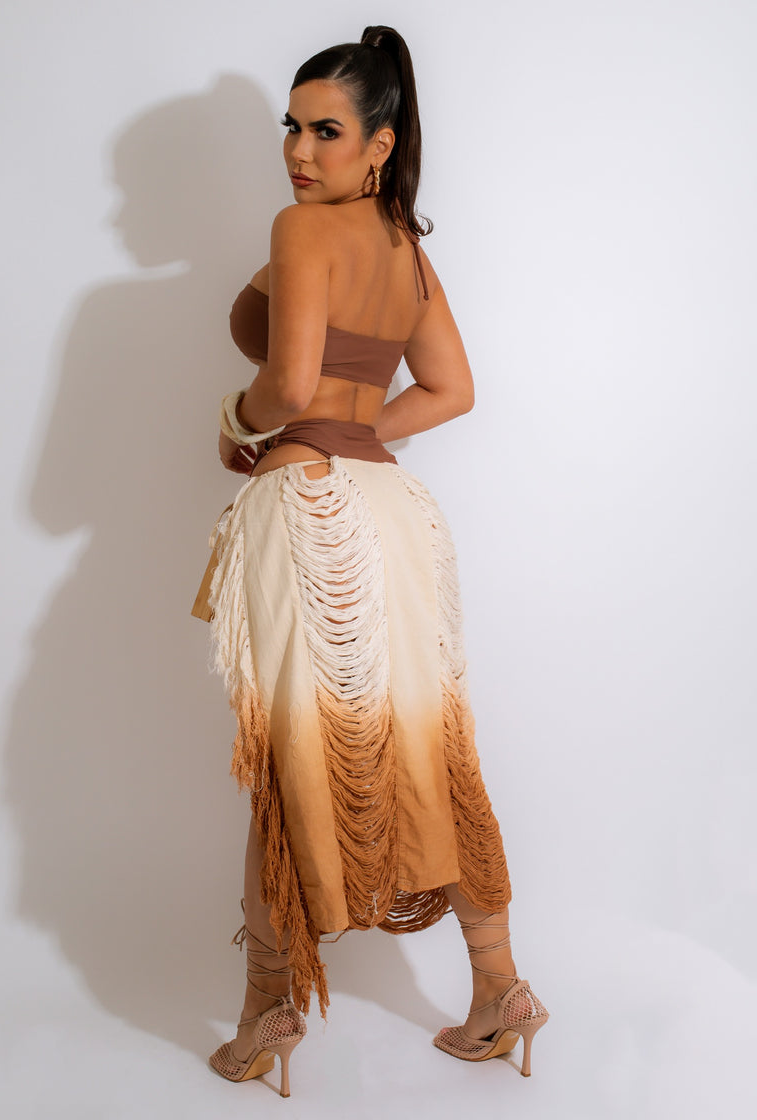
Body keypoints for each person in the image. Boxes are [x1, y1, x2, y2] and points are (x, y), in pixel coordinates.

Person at [203, 25, 548, 1099]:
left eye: (326, 131)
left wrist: (238, 421)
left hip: (310, 516)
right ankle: (499, 988)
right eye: (291, 127)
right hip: (392, 515)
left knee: (292, 760)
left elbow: (289, 383)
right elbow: (451, 389)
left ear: (380, 143)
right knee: (430, 748)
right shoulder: (405, 248)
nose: (299, 151)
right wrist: (360, 435)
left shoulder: (302, 230)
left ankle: (265, 1013)